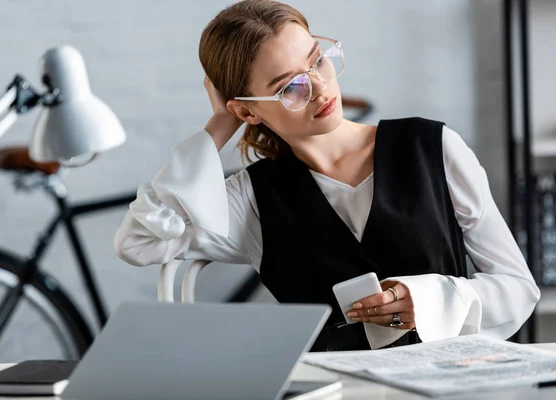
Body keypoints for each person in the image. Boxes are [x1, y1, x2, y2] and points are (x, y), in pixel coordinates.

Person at [114, 0, 540, 351]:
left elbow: (519, 288)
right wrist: (220, 124)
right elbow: (139, 241)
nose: (319, 87)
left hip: (446, 387)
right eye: (288, 87)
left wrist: (432, 300)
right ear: (247, 109)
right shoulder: (251, 200)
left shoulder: (432, 147)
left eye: (317, 61)